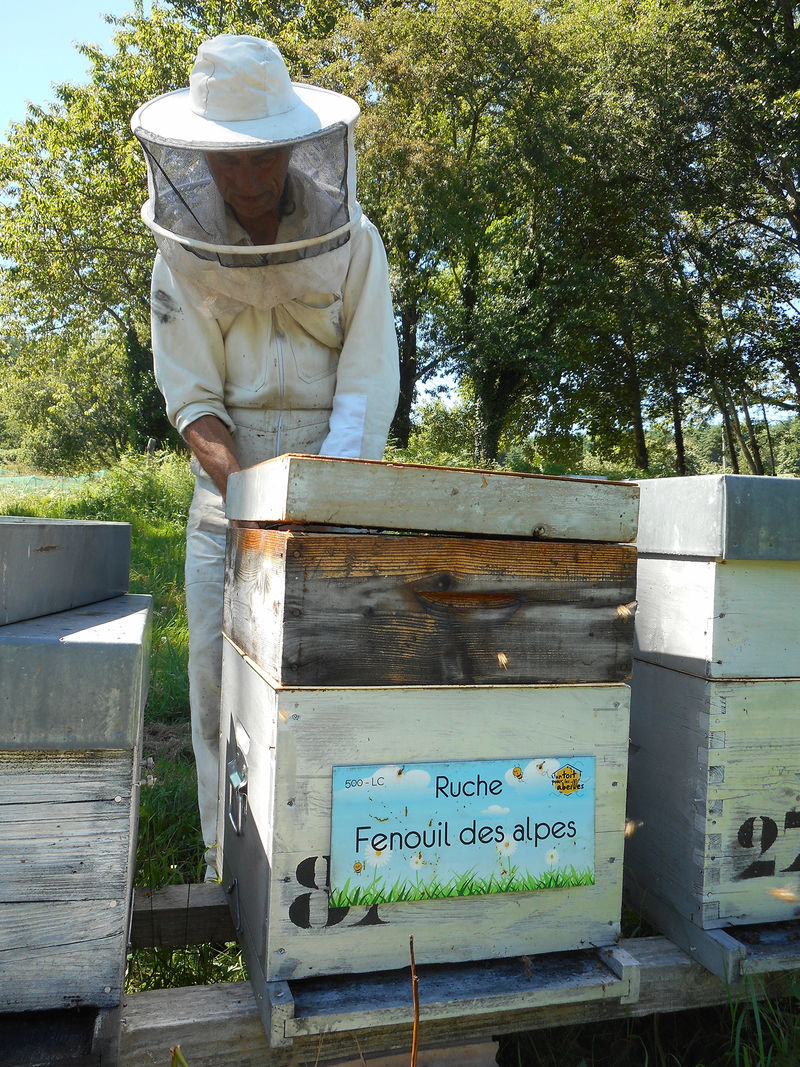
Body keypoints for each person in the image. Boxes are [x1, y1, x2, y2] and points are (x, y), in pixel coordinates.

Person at [131, 35, 399, 880]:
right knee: (218, 701)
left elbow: (365, 382)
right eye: (225, 160)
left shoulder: (356, 243)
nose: (244, 179)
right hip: (225, 499)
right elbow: (195, 402)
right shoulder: (177, 255)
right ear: (199, 155)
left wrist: (317, 500)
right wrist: (252, 497)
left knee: (327, 696)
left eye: (260, 157)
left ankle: (324, 872)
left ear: (292, 143)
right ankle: (227, 877)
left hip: (333, 485)